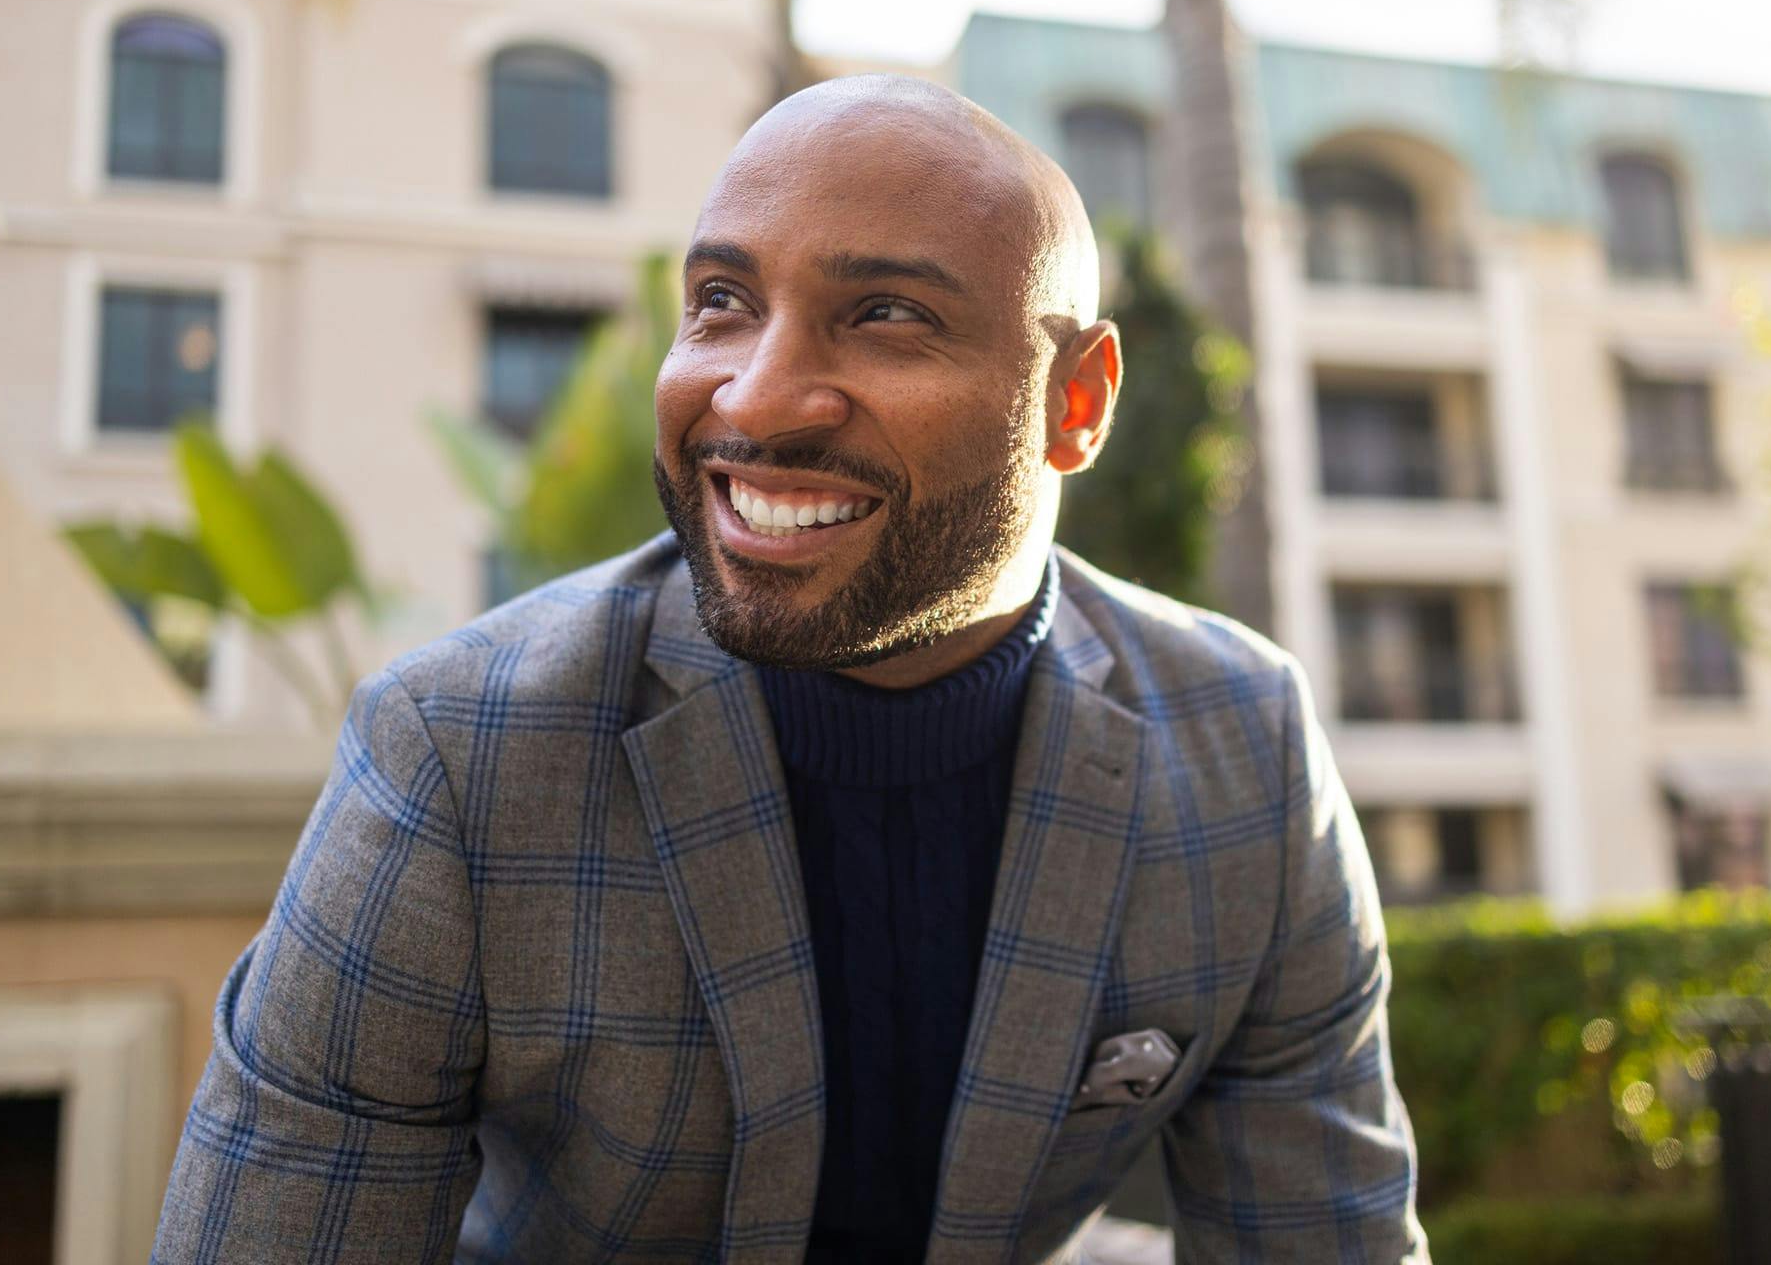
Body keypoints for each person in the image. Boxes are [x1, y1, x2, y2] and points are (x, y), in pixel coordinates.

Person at [153, 75, 1428, 1264]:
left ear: (1076, 401)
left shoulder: (1242, 746)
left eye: (886, 315)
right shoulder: (462, 755)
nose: (756, 401)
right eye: (722, 301)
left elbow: (1327, 1236)